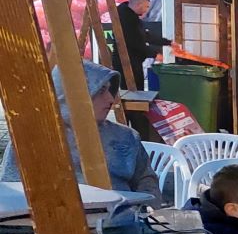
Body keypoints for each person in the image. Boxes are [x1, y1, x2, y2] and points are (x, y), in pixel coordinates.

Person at [1, 59, 162, 202]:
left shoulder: (126, 137)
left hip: (122, 226)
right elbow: (12, 193)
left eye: (109, 90)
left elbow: (147, 182)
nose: (111, 99)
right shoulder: (30, 139)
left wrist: (145, 211)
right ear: (71, 95)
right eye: (100, 91)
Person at [114, 0, 165, 79]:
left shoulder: (132, 18)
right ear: (138, 5)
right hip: (127, 63)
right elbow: (135, 42)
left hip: (133, 62)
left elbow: (146, 36)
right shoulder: (127, 19)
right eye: (146, 6)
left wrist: (168, 42)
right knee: (132, 91)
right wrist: (155, 54)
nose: (147, 10)